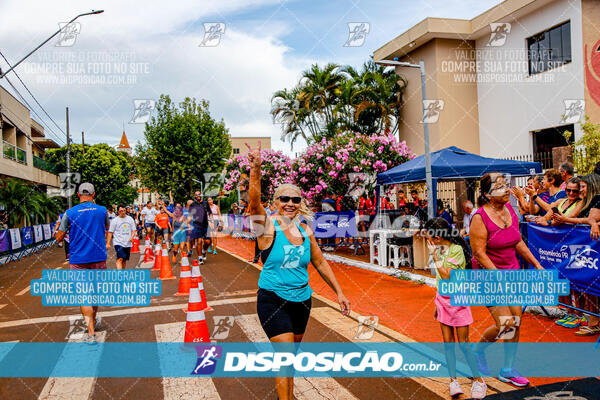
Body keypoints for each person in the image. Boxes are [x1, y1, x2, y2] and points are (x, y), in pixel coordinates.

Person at [246, 142, 350, 400]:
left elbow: (321, 263)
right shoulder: (267, 228)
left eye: (295, 199)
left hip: (302, 301)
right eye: (284, 198)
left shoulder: (305, 231)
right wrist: (255, 168)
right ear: (276, 202)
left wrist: (339, 292)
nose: (290, 203)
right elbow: (254, 202)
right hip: (273, 299)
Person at [470, 173, 544, 387]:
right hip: (488, 275)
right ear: (487, 194)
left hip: (511, 272)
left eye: (505, 185)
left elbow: (517, 241)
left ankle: (508, 369)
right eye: (500, 187)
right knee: (506, 323)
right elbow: (479, 253)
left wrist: (536, 264)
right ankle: (477, 350)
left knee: (516, 321)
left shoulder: (510, 210)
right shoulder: (479, 217)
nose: (506, 190)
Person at [423, 218, 486, 399]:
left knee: (464, 343)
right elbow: (439, 282)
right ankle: (453, 381)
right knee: (448, 344)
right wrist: (437, 303)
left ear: (437, 237)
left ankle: (478, 380)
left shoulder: (456, 250)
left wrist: (434, 257)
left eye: (429, 236)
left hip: (458, 299)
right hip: (442, 300)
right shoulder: (439, 249)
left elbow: (447, 276)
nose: (427, 240)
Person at [55, 183, 109, 344]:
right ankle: (94, 319)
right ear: (93, 194)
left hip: (78, 259)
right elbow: (106, 227)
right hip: (98, 256)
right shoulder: (102, 210)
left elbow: (59, 238)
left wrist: (59, 230)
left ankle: (91, 332)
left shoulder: (69, 213)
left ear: (78, 195)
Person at [552, 174, 600, 335]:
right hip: (586, 247)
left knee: (591, 283)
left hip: (591, 247)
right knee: (587, 284)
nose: (580, 190)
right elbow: (590, 220)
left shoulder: (597, 199)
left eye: (583, 187)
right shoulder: (587, 201)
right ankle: (593, 321)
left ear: (591, 186)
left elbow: (590, 219)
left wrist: (568, 219)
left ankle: (594, 323)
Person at [106, 205, 136, 269]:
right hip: (118, 242)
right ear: (118, 212)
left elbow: (134, 230)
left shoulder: (130, 219)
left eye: (124, 210)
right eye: (121, 211)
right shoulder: (115, 220)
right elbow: (110, 232)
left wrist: (132, 237)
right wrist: (108, 243)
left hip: (127, 243)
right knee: (120, 259)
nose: (123, 212)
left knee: (124, 260)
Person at [189, 191, 212, 264]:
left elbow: (210, 213)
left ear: (201, 195)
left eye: (199, 194)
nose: (198, 196)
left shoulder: (205, 203)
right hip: (197, 225)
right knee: (199, 241)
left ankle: (203, 251)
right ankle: (200, 258)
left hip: (205, 224)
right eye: (196, 195)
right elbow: (190, 216)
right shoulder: (192, 205)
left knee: (208, 242)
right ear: (194, 196)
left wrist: (211, 221)